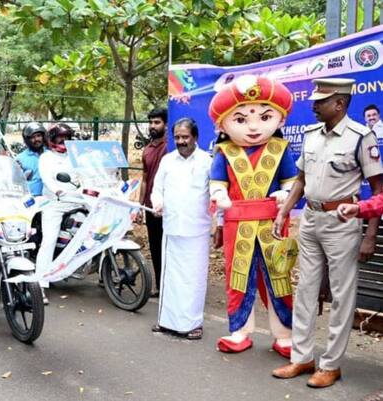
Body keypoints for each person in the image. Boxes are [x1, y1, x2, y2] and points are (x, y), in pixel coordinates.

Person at [271, 78, 383, 388]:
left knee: (341, 295)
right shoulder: (310, 136)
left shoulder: (361, 137)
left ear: (340, 104)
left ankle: (331, 365)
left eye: (322, 100)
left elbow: (378, 189)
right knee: (306, 290)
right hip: (310, 219)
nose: (314, 104)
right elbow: (300, 181)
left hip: (342, 222)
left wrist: (369, 235)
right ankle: (302, 357)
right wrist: (284, 211)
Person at [209, 75, 298, 357]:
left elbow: (292, 182)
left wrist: (287, 193)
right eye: (241, 119)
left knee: (278, 274)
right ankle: (240, 331)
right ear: (222, 124)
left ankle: (284, 333)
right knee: (239, 277)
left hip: (273, 222)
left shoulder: (280, 149)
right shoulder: (224, 152)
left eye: (263, 116)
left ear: (280, 120)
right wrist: (219, 196)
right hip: (238, 225)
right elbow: (217, 183)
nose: (254, 126)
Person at [150, 118, 214, 340]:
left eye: (185, 137)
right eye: (177, 137)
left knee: (193, 278)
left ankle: (193, 324)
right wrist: (157, 202)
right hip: (171, 226)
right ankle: (166, 321)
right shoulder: (168, 161)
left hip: (197, 228)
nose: (181, 141)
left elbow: (216, 191)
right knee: (171, 276)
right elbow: (157, 189)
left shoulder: (207, 161)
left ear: (195, 137)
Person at [34, 123, 81, 305]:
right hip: (55, 203)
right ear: (52, 140)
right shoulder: (46, 158)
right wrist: (58, 190)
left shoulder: (74, 156)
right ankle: (40, 283)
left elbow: (84, 174)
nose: (64, 141)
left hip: (77, 199)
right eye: (61, 137)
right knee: (49, 241)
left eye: (67, 137)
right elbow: (47, 178)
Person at [139, 107, 168, 297]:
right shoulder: (147, 149)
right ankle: (160, 286)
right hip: (151, 206)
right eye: (150, 122)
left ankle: (174, 287)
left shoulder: (172, 145)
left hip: (171, 205)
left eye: (157, 122)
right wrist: (140, 205)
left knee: (172, 248)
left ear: (166, 124)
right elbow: (144, 178)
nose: (152, 126)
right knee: (156, 247)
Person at [16, 122, 46, 197]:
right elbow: (15, 181)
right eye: (32, 137)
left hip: (52, 197)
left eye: (39, 136)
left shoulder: (51, 154)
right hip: (31, 198)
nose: (36, 139)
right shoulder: (20, 158)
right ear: (27, 140)